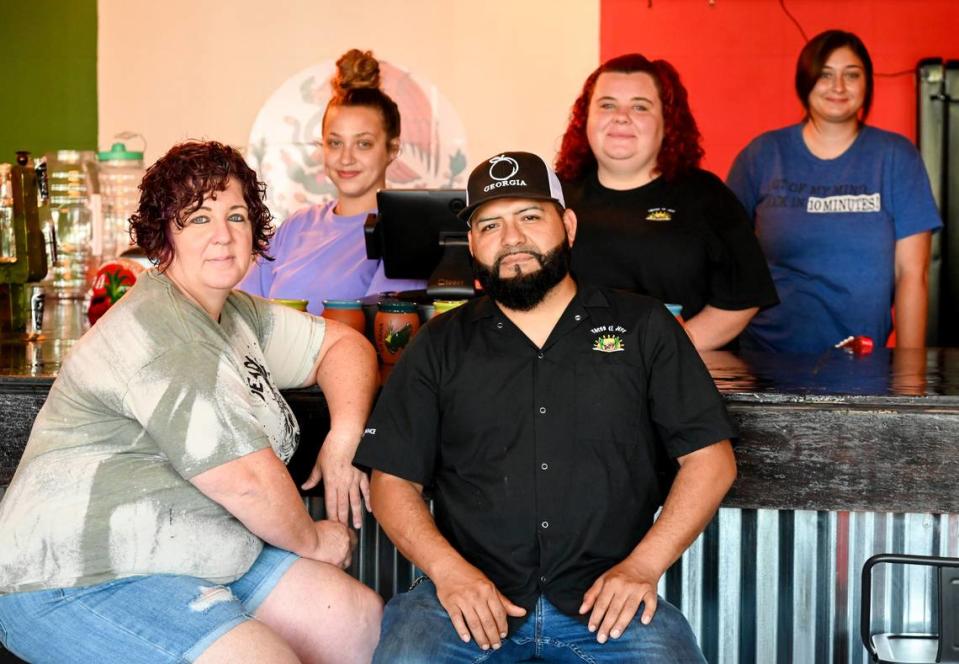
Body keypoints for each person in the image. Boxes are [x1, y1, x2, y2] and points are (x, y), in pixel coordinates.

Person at [0, 141, 382, 663]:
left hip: (192, 544)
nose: (223, 236)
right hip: (73, 573)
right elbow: (246, 483)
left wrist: (344, 436)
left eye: (237, 216)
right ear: (165, 236)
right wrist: (313, 543)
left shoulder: (236, 313)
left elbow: (344, 346)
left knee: (357, 622)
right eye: (198, 218)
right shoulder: (163, 329)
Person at [354, 151, 738, 662]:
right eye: (490, 224)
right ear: (472, 244)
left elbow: (711, 461)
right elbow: (391, 482)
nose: (511, 238)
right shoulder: (440, 343)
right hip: (463, 605)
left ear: (569, 225)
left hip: (607, 608)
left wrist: (642, 568)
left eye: (530, 216)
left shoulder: (643, 326)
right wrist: (450, 574)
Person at [727, 30, 941, 354]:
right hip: (763, 362)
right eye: (825, 75)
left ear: (867, 83)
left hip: (861, 365)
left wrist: (910, 379)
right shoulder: (763, 155)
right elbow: (723, 258)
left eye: (851, 75)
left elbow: (913, 275)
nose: (838, 87)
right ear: (805, 81)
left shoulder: (895, 157)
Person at [555, 53, 778, 351]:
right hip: (574, 374)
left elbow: (744, 297)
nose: (621, 116)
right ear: (586, 119)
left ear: (667, 122)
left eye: (640, 107)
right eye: (607, 105)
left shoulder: (706, 196)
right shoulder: (554, 196)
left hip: (675, 378)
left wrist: (671, 350)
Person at [239, 48, 423, 315]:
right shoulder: (295, 227)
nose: (346, 158)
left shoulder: (404, 235)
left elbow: (382, 332)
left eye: (363, 144)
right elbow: (242, 311)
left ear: (392, 149)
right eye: (335, 143)